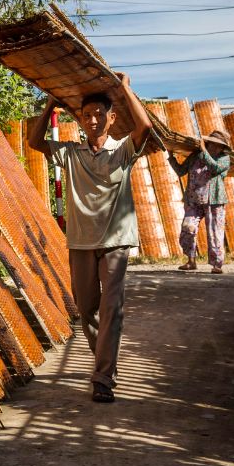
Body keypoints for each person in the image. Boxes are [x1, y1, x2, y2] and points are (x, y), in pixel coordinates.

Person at [29, 74, 153, 404]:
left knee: (112, 309)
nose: (94, 119)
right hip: (81, 242)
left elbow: (146, 130)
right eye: (88, 115)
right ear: (81, 120)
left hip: (115, 241)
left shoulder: (123, 150)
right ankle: (102, 360)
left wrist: (126, 88)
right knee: (87, 309)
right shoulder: (71, 153)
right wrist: (50, 106)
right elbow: (34, 142)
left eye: (100, 113)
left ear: (112, 118)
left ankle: (103, 378)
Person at [169, 130, 232, 274]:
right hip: (193, 200)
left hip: (214, 201)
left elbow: (214, 168)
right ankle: (191, 261)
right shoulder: (195, 156)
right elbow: (180, 171)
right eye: (213, 144)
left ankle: (217, 264)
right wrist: (171, 156)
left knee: (215, 232)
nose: (215, 148)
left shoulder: (224, 159)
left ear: (223, 148)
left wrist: (204, 151)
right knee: (188, 227)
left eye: (219, 146)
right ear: (208, 143)